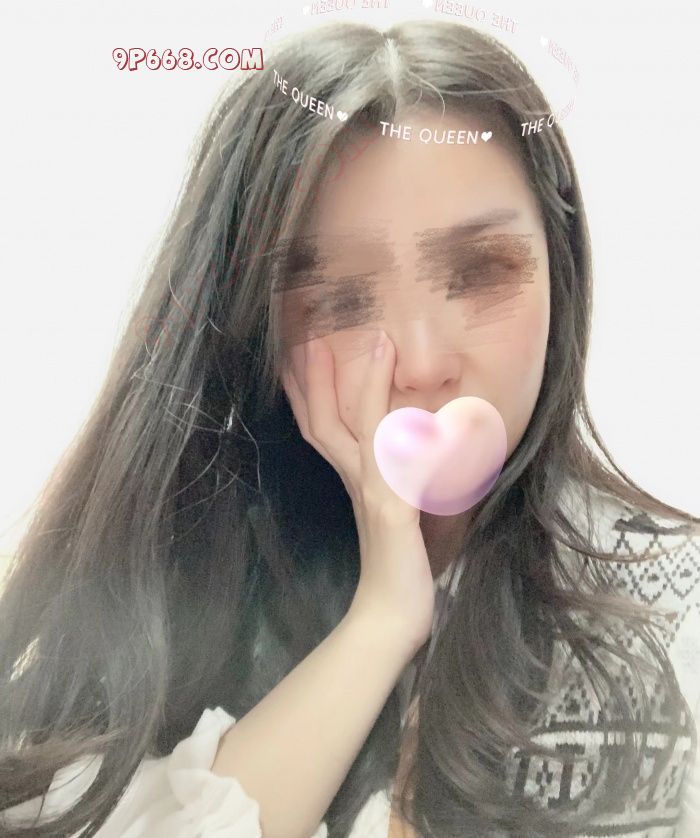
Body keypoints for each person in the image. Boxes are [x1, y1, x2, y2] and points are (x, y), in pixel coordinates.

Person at [1, 18, 698, 838]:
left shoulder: (673, 605)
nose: (424, 362)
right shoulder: (162, 594)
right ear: (258, 333)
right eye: (340, 301)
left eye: (480, 272)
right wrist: (381, 620)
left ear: (560, 272)